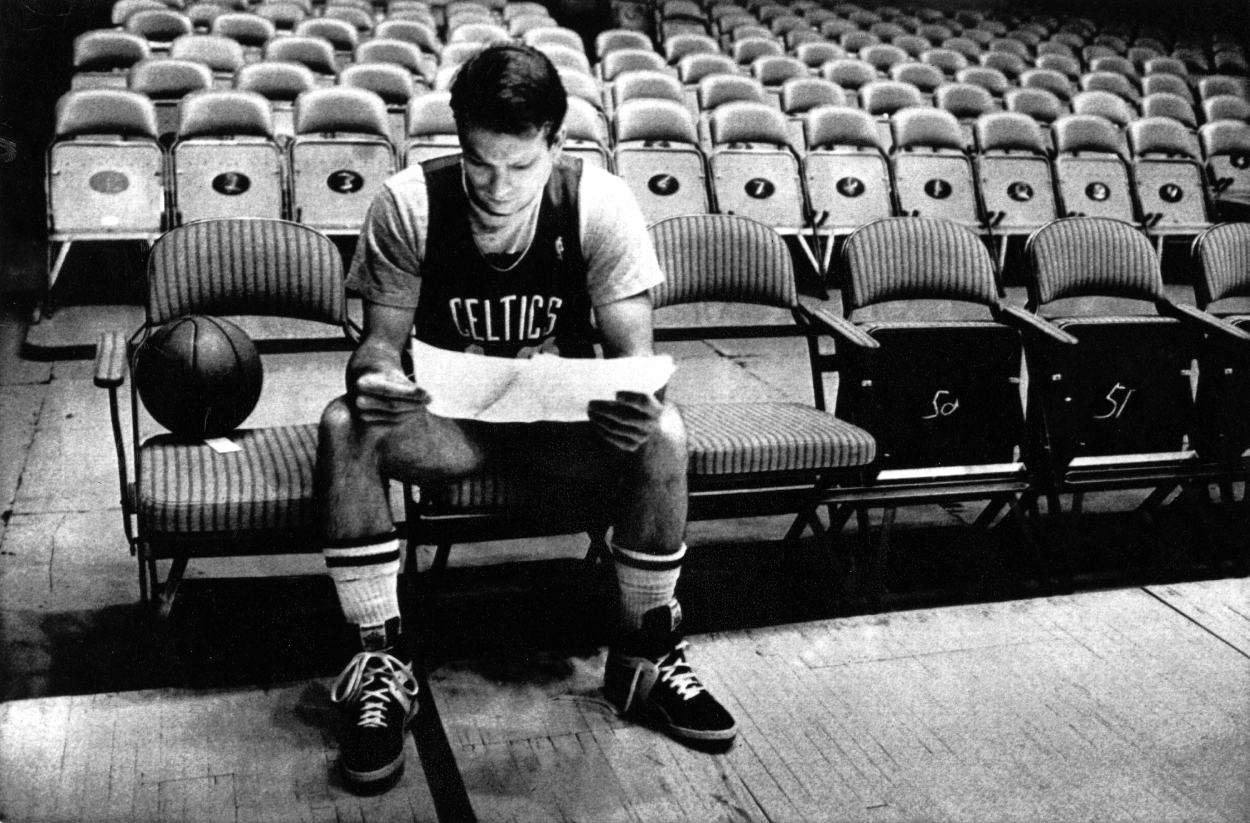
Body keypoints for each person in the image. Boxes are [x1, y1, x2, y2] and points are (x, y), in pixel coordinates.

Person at [316, 43, 737, 794]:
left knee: (667, 434)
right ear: (458, 138)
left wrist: (634, 408)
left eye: (521, 165)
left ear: (556, 143)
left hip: (560, 431)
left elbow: (634, 359)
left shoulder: (598, 203)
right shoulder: (410, 204)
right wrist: (377, 377)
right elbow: (376, 346)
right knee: (346, 422)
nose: (499, 186)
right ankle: (378, 658)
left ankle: (645, 654)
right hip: (454, 426)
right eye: (480, 163)